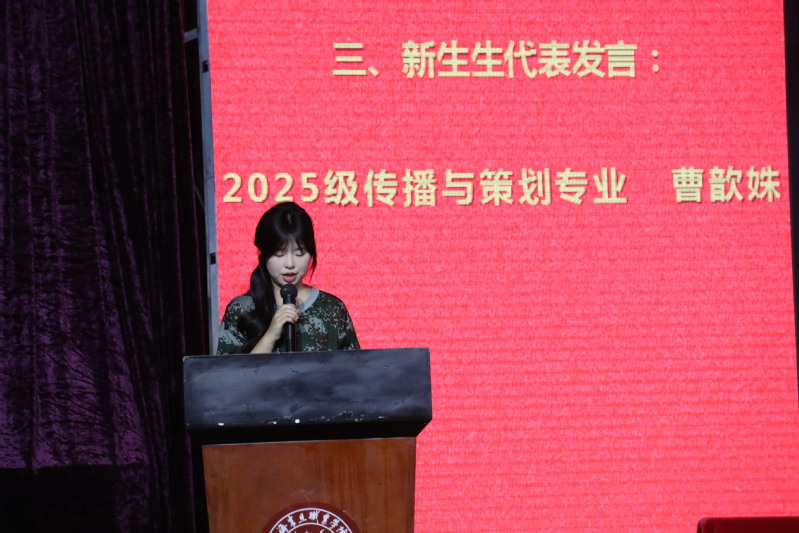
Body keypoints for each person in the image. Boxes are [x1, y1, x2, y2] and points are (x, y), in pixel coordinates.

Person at [216, 202, 359, 354]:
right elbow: (230, 369)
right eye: (279, 254)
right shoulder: (241, 310)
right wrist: (270, 336)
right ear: (263, 254)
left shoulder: (332, 309)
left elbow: (355, 366)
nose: (290, 264)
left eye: (299, 253)